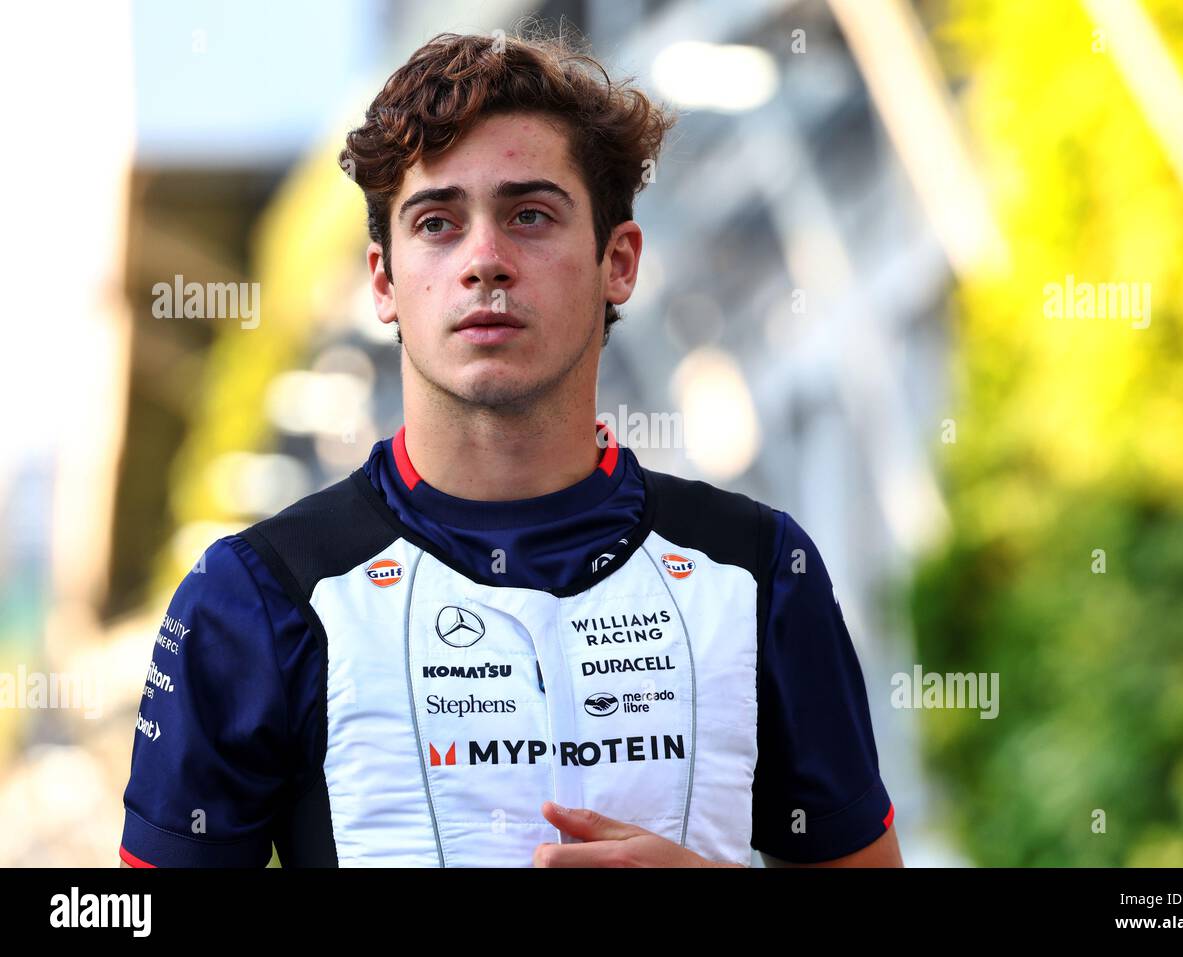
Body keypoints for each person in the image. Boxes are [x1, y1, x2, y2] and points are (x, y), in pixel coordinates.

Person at [119, 28, 901, 868]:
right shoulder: (250, 596)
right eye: (437, 223)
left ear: (619, 262)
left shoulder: (759, 568)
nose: (484, 260)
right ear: (383, 281)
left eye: (530, 215)